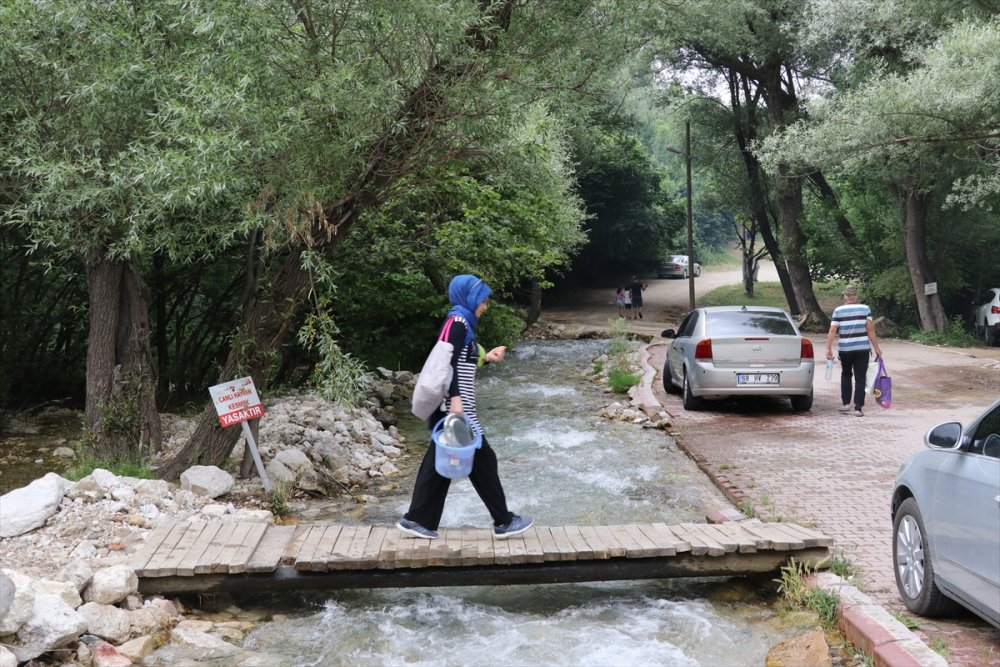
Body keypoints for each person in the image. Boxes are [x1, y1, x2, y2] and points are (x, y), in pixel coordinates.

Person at [398, 274, 534, 540]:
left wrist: (487, 357)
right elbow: (446, 363)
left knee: (444, 464)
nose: (485, 306)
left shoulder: (462, 323)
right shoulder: (458, 322)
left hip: (455, 407)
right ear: (470, 298)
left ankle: (418, 519)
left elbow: (462, 356)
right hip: (455, 407)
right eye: (483, 300)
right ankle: (503, 521)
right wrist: (456, 401)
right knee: (481, 459)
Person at [825, 286, 883, 417]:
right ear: (855, 296)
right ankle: (858, 408)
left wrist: (828, 348)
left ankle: (846, 405)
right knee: (860, 377)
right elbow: (870, 329)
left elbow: (833, 330)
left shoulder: (838, 310)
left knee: (846, 375)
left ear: (845, 297)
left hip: (845, 349)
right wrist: (877, 348)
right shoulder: (865, 309)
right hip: (862, 349)